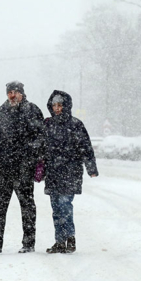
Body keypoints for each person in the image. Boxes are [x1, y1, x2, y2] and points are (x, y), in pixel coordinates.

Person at [0, 81, 45, 254]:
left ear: (22, 93)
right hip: (3, 166)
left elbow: (40, 136)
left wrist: (29, 155)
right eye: (9, 92)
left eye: (15, 92)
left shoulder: (32, 110)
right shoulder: (3, 110)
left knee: (27, 205)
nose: (12, 95)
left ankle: (28, 243)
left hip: (23, 167)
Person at [42, 90, 98, 254]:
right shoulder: (48, 124)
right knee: (56, 209)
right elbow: (40, 147)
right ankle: (59, 241)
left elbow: (86, 147)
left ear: (66, 106)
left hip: (70, 172)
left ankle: (70, 238)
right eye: (54, 105)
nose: (57, 108)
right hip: (53, 173)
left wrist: (91, 167)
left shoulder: (75, 124)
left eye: (60, 105)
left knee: (65, 206)